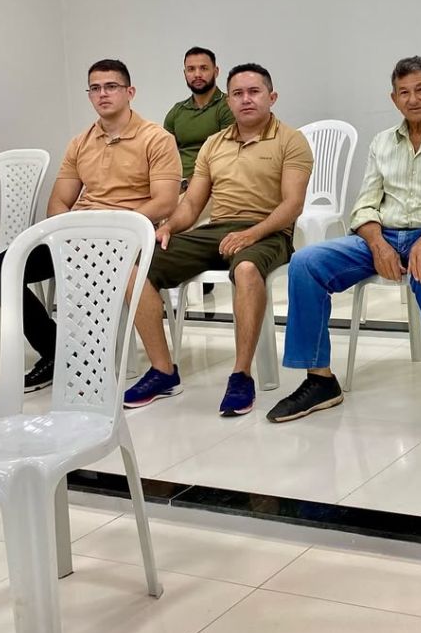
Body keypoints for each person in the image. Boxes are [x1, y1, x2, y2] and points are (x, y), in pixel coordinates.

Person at [268, 56, 421, 433]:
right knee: (306, 263)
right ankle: (320, 379)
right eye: (404, 92)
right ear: (394, 99)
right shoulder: (383, 142)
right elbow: (365, 204)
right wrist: (379, 244)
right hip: (384, 236)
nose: (413, 99)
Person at [124, 63, 313, 417]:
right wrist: (169, 227)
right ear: (229, 101)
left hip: (268, 231)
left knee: (246, 270)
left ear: (271, 97)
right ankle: (163, 371)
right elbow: (192, 204)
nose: (246, 99)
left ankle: (241, 375)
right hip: (217, 230)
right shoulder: (214, 144)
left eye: (254, 92)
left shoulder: (291, 140)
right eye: (238, 93)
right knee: (135, 268)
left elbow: (292, 205)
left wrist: (252, 233)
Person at [0, 60, 181, 390]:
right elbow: (58, 202)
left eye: (111, 87)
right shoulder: (80, 142)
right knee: (1, 270)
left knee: (125, 275)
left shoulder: (156, 138)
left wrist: (113, 229)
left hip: (128, 236)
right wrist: (69, 233)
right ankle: (55, 352)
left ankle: (154, 367)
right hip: (80, 238)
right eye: (95, 88)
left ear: (130, 92)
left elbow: (165, 202)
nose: (102, 94)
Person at [163, 47, 235, 184]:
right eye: (191, 69)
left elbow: (228, 155)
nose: (197, 74)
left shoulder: (228, 106)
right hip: (175, 182)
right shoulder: (177, 111)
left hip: (213, 183)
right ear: (185, 74)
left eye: (203, 68)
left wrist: (192, 184)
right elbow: (163, 154)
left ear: (216, 71)